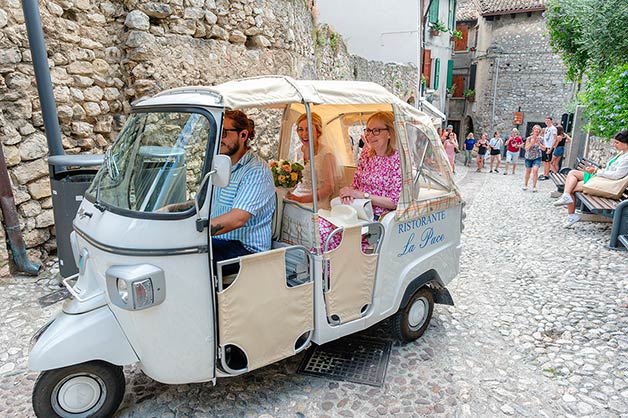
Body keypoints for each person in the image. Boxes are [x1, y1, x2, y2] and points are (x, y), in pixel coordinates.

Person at [320, 111, 402, 251]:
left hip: (376, 218)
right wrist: (347, 192)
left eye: (376, 131)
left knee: (326, 234)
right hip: (355, 209)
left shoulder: (397, 159)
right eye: (368, 130)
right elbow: (356, 184)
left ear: (389, 133)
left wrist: (363, 196)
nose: (370, 135)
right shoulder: (366, 153)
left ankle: (332, 271)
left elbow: (395, 202)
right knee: (318, 225)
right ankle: (326, 270)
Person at [210, 110, 276, 272]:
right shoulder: (221, 165)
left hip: (245, 250)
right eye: (217, 132)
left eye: (224, 133)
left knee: (188, 257)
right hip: (219, 241)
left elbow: (238, 219)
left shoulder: (256, 170)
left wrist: (195, 232)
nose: (219, 138)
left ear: (243, 135)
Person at [553, 129, 628, 228]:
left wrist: (596, 171)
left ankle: (571, 214)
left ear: (626, 143)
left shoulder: (626, 157)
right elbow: (610, 170)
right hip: (603, 178)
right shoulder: (622, 154)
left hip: (608, 183)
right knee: (572, 173)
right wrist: (596, 170)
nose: (614, 145)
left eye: (617, 143)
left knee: (572, 187)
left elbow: (617, 175)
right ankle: (566, 197)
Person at [286, 112, 338, 209]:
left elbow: (328, 189)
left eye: (308, 129)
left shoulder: (327, 154)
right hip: (298, 194)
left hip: (316, 201)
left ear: (318, 132)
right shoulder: (299, 151)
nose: (304, 134)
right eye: (300, 129)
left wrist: (301, 199)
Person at [523, 124, 543, 192]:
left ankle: (534, 186)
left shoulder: (541, 139)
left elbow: (544, 148)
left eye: (538, 129)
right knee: (528, 171)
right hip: (529, 156)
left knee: (535, 170)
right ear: (533, 130)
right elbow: (526, 149)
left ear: (539, 131)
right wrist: (531, 143)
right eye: (535, 129)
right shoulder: (529, 138)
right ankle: (525, 184)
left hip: (537, 156)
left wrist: (539, 144)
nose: (536, 130)